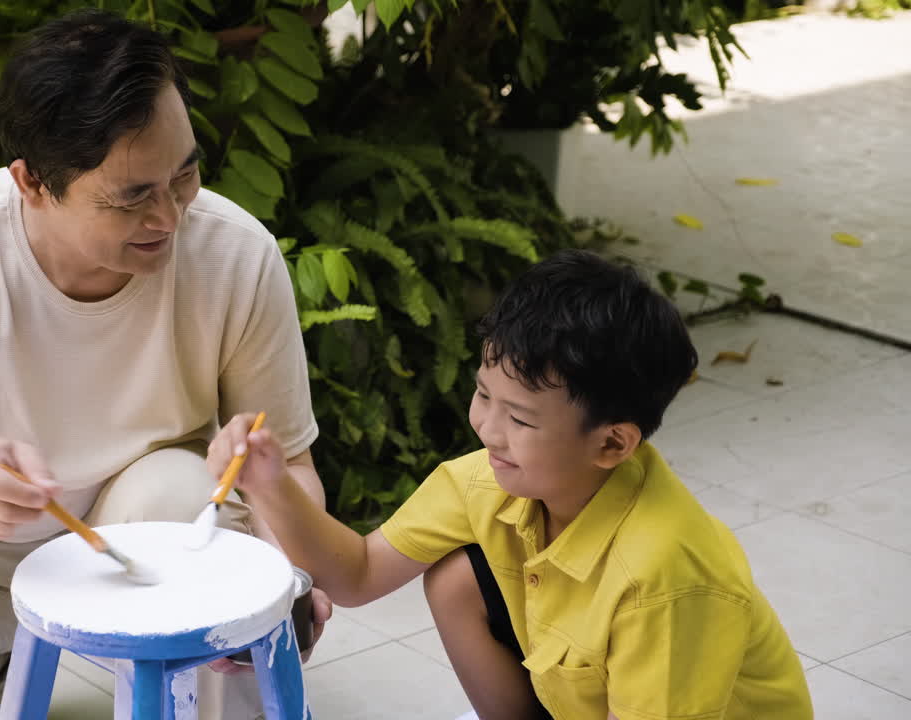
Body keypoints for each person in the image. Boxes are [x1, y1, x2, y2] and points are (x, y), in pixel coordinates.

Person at [0, 9, 330, 719]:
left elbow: (288, 461)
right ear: (32, 182)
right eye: (133, 196)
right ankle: (0, 655)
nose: (170, 216)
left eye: (186, 173)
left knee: (196, 543)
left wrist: (294, 577)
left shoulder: (235, 253)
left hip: (153, 515)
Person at [208, 249, 813, 720]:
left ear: (612, 443)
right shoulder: (489, 481)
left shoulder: (665, 576)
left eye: (520, 418)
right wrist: (269, 485)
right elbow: (359, 574)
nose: (487, 429)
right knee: (455, 577)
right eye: (482, 393)